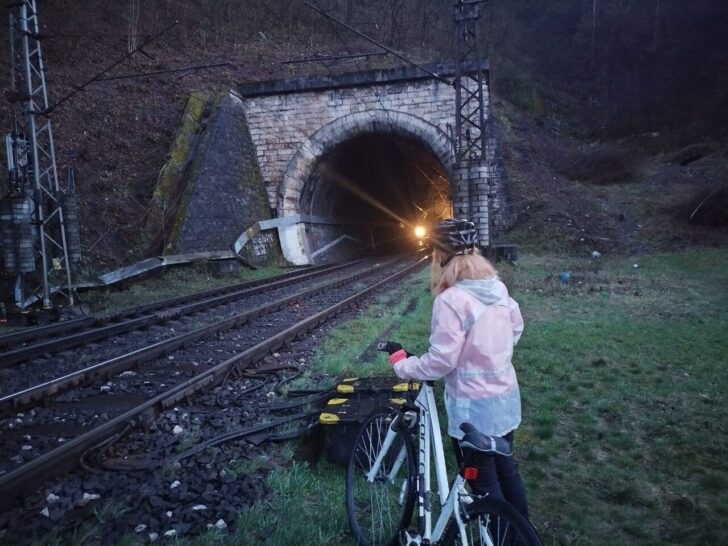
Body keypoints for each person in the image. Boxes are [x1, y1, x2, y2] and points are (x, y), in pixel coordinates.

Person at [386, 218, 530, 520]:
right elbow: (515, 327)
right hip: (505, 400)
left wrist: (404, 365)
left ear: (440, 257)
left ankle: (503, 539)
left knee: (484, 483)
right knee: (507, 469)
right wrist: (492, 353)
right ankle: (522, 534)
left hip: (472, 411)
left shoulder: (451, 300)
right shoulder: (498, 288)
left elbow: (441, 361)